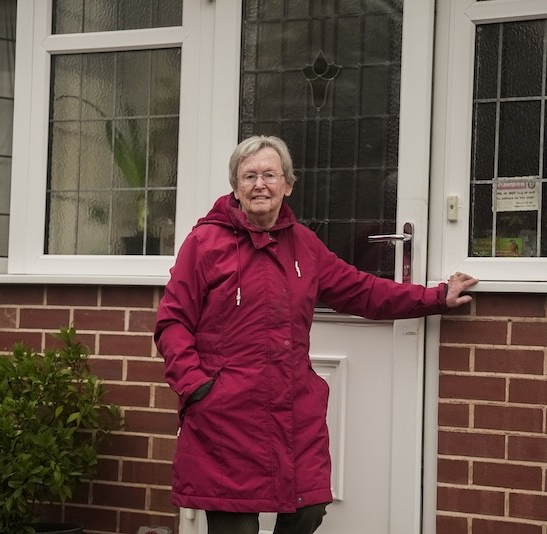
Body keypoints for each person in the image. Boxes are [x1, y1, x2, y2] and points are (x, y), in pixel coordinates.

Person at [154, 135, 478, 534]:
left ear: (288, 185)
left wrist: (436, 296)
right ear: (235, 187)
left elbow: (363, 290)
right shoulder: (204, 244)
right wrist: (197, 388)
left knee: (309, 509)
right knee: (235, 526)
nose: (260, 184)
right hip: (225, 414)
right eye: (249, 176)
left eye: (270, 175)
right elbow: (172, 322)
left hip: (293, 410)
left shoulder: (304, 246)